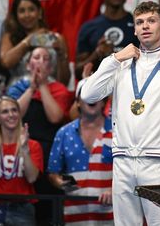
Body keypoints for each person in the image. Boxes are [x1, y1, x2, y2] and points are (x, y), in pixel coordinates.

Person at [80, 1, 160, 226]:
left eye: (151, 21)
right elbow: (87, 94)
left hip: (158, 161)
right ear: (134, 29)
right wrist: (114, 59)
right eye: (140, 22)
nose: (145, 26)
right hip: (123, 159)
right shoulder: (121, 65)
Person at [6, 46, 73, 225]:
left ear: (51, 68)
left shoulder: (58, 89)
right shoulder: (18, 87)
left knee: (46, 207)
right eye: (36, 58)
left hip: (49, 150)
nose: (41, 63)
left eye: (45, 59)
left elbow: (55, 117)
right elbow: (11, 115)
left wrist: (42, 86)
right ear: (28, 65)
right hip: (20, 149)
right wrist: (31, 89)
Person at [48, 79, 114, 225]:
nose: (92, 98)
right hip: (74, 216)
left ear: (103, 102)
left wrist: (114, 189)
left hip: (111, 217)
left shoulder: (118, 131)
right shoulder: (63, 133)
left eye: (96, 95)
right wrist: (62, 183)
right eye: (87, 94)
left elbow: (130, 170)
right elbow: (53, 173)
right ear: (77, 102)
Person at [0, 0, 70, 87]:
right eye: (22, 11)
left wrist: (62, 56)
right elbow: (6, 62)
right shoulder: (10, 37)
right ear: (16, 15)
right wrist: (29, 40)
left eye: (31, 10)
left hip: (50, 93)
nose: (27, 15)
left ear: (39, 13)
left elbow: (64, 82)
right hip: (19, 93)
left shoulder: (56, 38)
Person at [0, 96, 43, 226]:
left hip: (23, 208)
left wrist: (24, 150)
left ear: (19, 114)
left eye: (14, 110)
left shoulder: (33, 145)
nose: (11, 115)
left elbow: (32, 178)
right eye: (5, 111)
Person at [75, 0, 140, 80]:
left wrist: (114, 55)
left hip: (131, 90)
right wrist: (97, 53)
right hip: (98, 93)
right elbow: (78, 72)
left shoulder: (139, 25)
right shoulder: (88, 28)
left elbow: (148, 63)